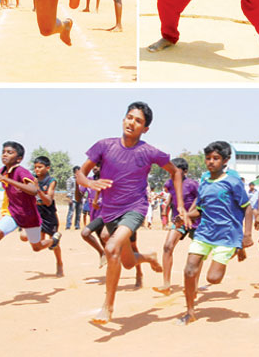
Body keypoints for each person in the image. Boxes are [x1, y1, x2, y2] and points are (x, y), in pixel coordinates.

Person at [76, 101, 189, 324]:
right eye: (129, 117)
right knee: (127, 261)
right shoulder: (104, 146)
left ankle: (107, 307)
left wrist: (181, 206)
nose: (132, 123)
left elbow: (175, 172)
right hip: (109, 211)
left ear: (145, 128)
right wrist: (90, 184)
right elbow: (81, 173)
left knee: (110, 247)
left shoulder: (149, 152)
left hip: (135, 208)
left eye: (138, 121)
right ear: (123, 119)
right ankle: (148, 257)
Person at [0, 142, 61, 297]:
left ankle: (53, 240)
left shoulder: (21, 171)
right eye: (3, 151)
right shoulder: (2, 171)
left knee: (36, 247)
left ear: (19, 158)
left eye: (9, 152)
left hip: (30, 217)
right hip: (13, 214)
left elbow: (32, 190)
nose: (4, 154)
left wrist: (7, 180)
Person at [177, 141, 253, 325]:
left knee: (213, 278)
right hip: (204, 232)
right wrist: (185, 216)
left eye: (216, 158)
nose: (211, 162)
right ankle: (190, 311)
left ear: (225, 160)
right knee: (189, 270)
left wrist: (247, 234)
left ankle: (236, 248)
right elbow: (200, 210)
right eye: (208, 158)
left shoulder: (232, 182)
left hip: (227, 235)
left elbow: (247, 208)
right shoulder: (203, 183)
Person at [153, 157, 199, 295]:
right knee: (167, 246)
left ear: (185, 171)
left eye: (175, 170)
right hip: (179, 221)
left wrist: (189, 213)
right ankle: (166, 284)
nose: (171, 173)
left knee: (197, 254)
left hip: (196, 221)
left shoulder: (192, 184)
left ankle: (194, 287)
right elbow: (172, 198)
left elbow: (200, 198)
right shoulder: (169, 183)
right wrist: (165, 212)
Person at [32, 156, 64, 277]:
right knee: (38, 244)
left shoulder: (51, 181)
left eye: (40, 167)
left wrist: (38, 189)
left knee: (55, 246)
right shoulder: (32, 179)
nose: (37, 169)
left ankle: (59, 263)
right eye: (35, 167)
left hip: (49, 215)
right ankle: (54, 239)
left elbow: (48, 201)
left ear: (47, 167)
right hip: (37, 214)